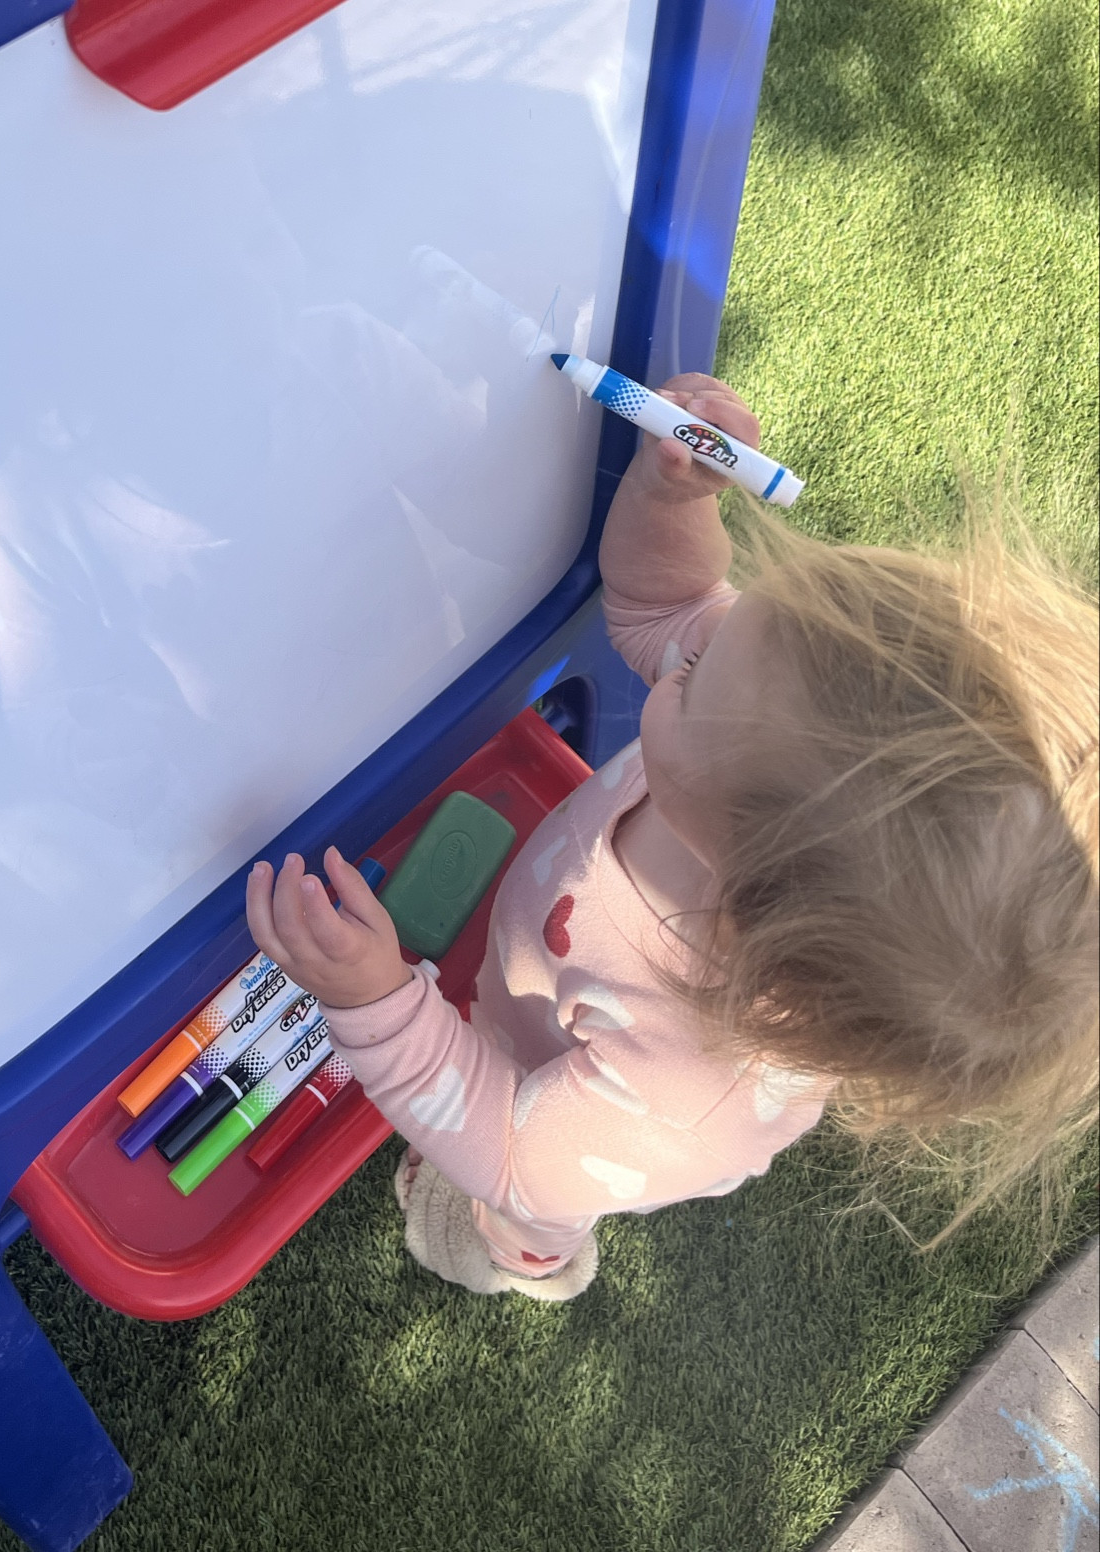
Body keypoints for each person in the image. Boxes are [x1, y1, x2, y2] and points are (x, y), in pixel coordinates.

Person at [246, 375, 1099, 1299]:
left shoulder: (686, 1094)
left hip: (543, 1144)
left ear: (746, 893)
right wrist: (673, 497)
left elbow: (505, 1147)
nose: (694, 644)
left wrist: (379, 1005)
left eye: (695, 675)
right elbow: (668, 601)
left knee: (498, 1207)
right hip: (538, 990)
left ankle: (522, 1265)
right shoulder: (758, 755)